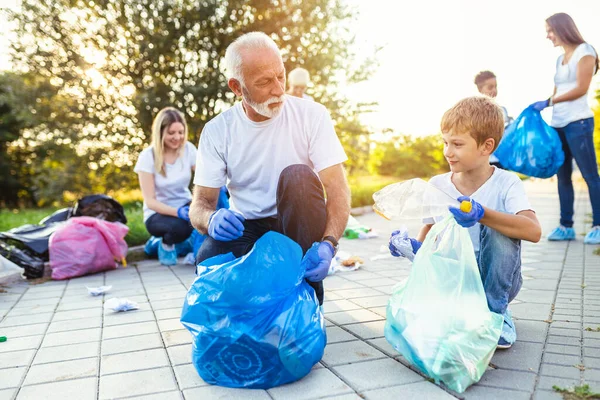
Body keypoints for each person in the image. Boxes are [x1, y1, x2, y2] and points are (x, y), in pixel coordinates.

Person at [189, 32, 350, 305]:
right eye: (264, 82)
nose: (278, 89)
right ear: (237, 88)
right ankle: (258, 297)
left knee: (298, 175)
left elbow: (337, 190)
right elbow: (200, 204)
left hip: (297, 224)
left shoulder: (312, 115)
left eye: (280, 75)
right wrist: (211, 219)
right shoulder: (218, 131)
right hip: (247, 226)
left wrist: (328, 244)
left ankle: (306, 291)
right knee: (208, 262)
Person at [390, 97, 542, 349]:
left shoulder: (507, 183)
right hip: (455, 279)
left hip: (495, 278)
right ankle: (464, 311)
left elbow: (533, 231)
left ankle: (495, 314)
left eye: (457, 144)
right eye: (445, 142)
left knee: (499, 227)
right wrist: (412, 247)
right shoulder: (438, 185)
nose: (448, 151)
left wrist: (484, 215)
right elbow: (430, 228)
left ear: (486, 146)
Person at [529, 13, 600, 244]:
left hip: (578, 122)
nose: (548, 36)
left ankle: (598, 225)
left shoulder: (585, 51)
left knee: (590, 176)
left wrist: (549, 102)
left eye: (550, 30)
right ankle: (566, 225)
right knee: (563, 177)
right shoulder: (560, 60)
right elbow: (557, 92)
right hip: (558, 123)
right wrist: (543, 103)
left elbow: (581, 88)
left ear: (563, 29)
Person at [134, 107, 196, 266]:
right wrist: (178, 212)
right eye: (171, 133)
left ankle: (187, 247)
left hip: (184, 204)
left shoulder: (189, 149)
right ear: (160, 133)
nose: (177, 137)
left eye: (181, 132)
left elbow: (205, 177)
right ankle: (161, 244)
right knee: (181, 228)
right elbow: (150, 201)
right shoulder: (147, 157)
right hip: (158, 213)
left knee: (204, 217)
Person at [474, 70, 513, 169]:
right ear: (480, 89)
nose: (494, 90)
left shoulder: (502, 110)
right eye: (490, 87)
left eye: (496, 86)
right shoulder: (474, 111)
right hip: (483, 159)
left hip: (500, 158)